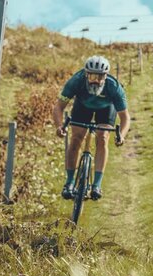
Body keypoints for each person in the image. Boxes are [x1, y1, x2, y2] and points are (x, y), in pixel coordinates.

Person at [52, 55, 131, 200]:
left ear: (105, 76)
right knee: (76, 138)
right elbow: (58, 107)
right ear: (86, 74)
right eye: (92, 76)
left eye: (100, 76)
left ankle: (96, 185)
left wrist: (122, 135)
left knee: (102, 137)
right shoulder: (76, 81)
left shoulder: (114, 87)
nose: (96, 80)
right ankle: (69, 183)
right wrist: (59, 126)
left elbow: (125, 118)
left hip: (106, 108)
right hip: (82, 106)